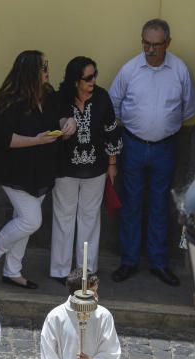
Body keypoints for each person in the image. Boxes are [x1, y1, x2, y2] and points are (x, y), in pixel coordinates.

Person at [109, 19, 195, 287]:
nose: (150, 49)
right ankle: (129, 261)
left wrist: (163, 125)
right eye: (146, 43)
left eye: (156, 45)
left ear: (167, 44)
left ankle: (159, 264)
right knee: (131, 204)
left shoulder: (179, 70)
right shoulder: (130, 69)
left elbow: (189, 109)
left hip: (165, 147)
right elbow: (113, 105)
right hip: (132, 144)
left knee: (160, 205)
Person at [0, 50, 63, 291]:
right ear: (30, 73)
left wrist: (67, 124)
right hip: (13, 170)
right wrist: (37, 140)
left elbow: (58, 117)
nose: (48, 72)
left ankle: (12, 271)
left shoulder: (47, 94)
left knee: (22, 220)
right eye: (43, 68)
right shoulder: (8, 101)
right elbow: (6, 139)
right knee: (31, 220)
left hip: (40, 167)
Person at [51, 56, 122, 283]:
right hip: (64, 168)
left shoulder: (102, 98)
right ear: (75, 80)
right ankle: (61, 270)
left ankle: (86, 270)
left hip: (96, 168)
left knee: (90, 218)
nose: (93, 81)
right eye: (88, 77)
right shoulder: (60, 98)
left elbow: (112, 131)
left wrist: (112, 164)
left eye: (94, 75)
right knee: (64, 217)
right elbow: (50, 130)